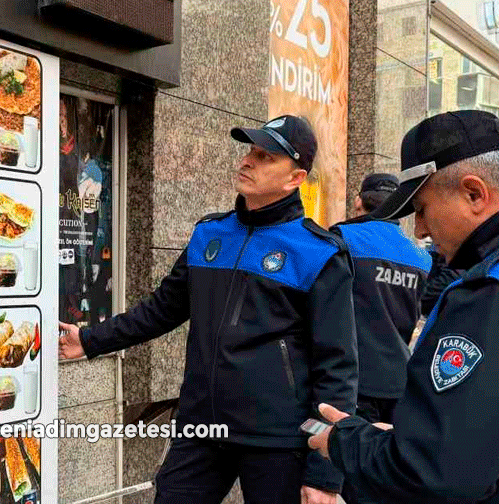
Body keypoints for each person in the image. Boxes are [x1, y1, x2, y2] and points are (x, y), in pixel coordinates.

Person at [59, 115, 358, 504]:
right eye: (250, 151)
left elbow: (337, 368)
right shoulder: (209, 235)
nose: (248, 161)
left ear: (295, 179)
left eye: (266, 156)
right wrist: (90, 339)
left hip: (278, 438)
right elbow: (162, 309)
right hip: (201, 427)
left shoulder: (318, 254)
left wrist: (324, 474)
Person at [308, 110, 499, 503]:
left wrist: (346, 441)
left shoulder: (484, 294)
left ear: (475, 194)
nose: (421, 230)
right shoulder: (443, 267)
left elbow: (438, 471)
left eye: (423, 209)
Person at [329, 173, 432, 504]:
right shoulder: (422, 257)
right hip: (399, 381)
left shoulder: (342, 238)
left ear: (359, 201)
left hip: (354, 381)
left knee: (350, 478)